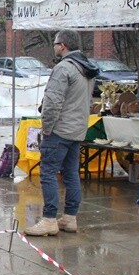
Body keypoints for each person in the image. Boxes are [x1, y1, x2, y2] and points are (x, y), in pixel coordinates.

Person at [25, 30, 99, 237]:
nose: (55, 47)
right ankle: (70, 217)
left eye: (56, 44)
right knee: (71, 173)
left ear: (63, 46)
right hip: (77, 130)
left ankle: (49, 219)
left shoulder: (64, 68)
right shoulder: (86, 69)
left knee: (48, 173)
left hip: (59, 130)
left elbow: (52, 102)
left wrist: (46, 128)